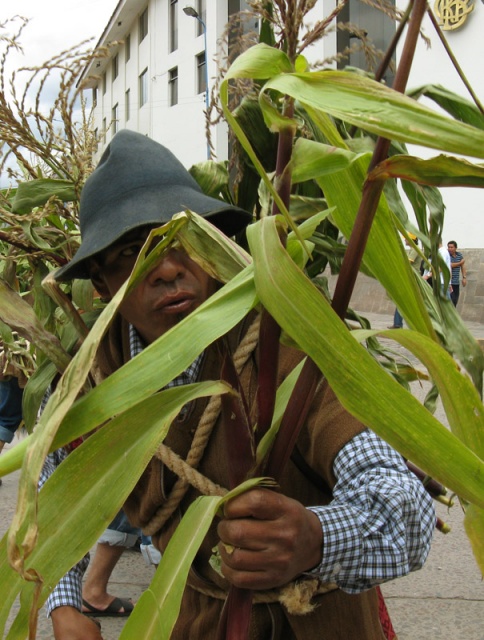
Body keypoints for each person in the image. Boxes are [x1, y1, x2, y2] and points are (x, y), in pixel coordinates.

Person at [43, 130, 435, 640]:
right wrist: (64, 603)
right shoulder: (95, 378)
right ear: (101, 283)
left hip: (319, 622)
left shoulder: (287, 341)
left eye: (183, 238)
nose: (168, 268)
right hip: (191, 618)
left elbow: (402, 504)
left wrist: (317, 538)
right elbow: (53, 496)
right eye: (134, 253)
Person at [388, 234, 419, 329]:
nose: (405, 240)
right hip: (408, 277)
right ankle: (397, 323)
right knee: (402, 301)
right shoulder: (411, 250)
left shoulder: (415, 250)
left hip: (412, 279)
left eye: (406, 239)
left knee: (404, 301)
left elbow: (407, 262)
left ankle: (398, 323)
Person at [447, 241, 466, 307]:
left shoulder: (459, 255)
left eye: (451, 247)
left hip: (456, 282)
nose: (450, 249)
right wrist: (460, 263)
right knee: (452, 300)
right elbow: (450, 265)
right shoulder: (447, 255)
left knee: (455, 300)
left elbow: (463, 266)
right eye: (449, 247)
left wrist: (464, 277)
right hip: (449, 282)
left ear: (455, 248)